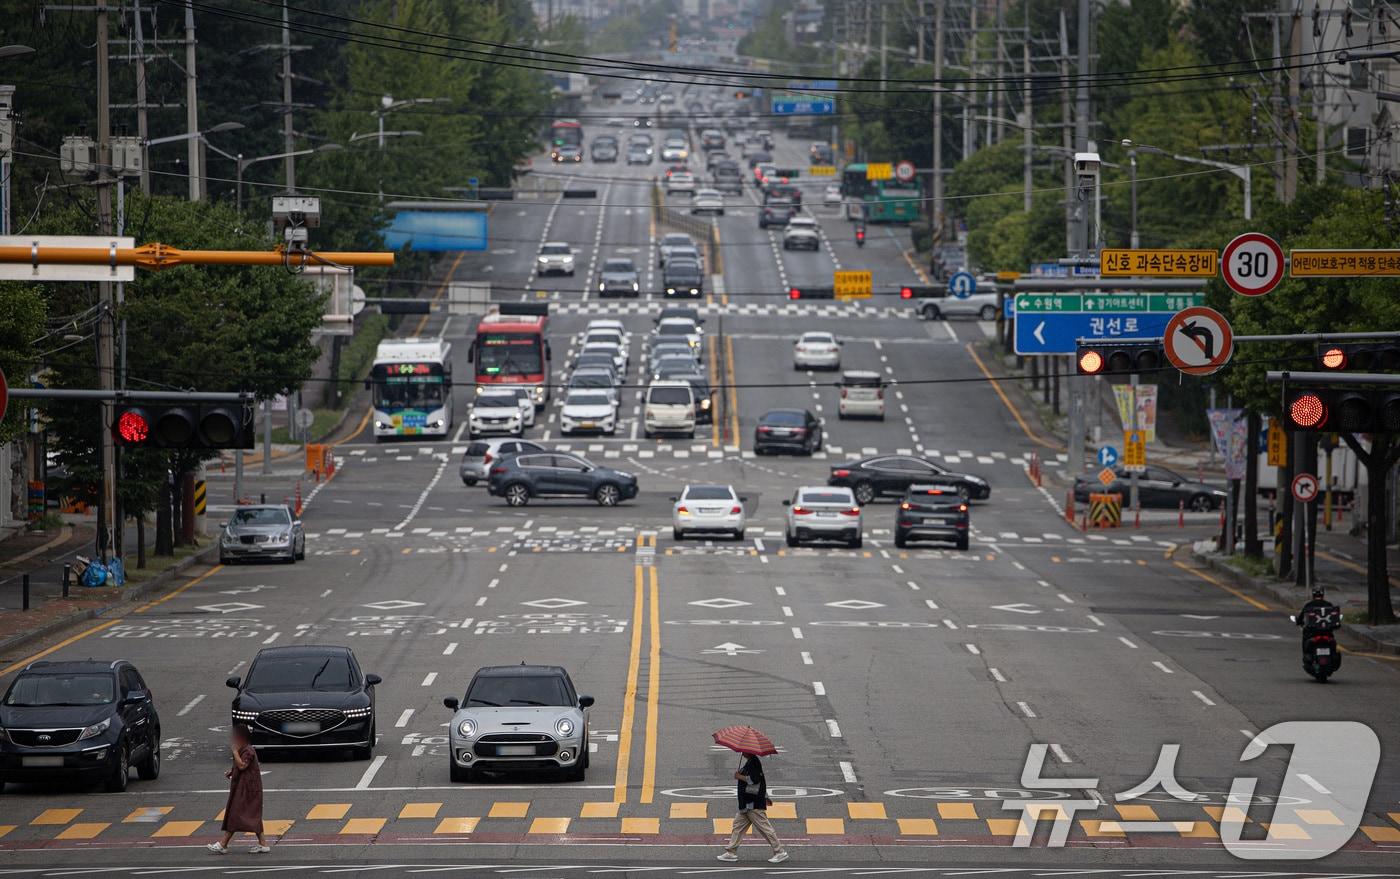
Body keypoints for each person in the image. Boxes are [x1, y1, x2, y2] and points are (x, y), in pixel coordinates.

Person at [208, 724, 269, 854]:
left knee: (235, 814)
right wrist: (231, 772)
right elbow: (239, 766)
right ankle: (263, 843)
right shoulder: (245, 749)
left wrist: (234, 752)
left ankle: (223, 844)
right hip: (244, 789)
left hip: (248, 791)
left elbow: (242, 765)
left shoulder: (248, 750)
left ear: (242, 738)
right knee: (253, 816)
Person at [717, 753, 788, 863]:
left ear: (748, 752)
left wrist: (739, 776)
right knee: (738, 826)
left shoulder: (754, 762)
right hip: (746, 804)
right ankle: (731, 852)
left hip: (753, 804)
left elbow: (754, 780)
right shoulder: (750, 762)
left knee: (765, 828)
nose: (742, 753)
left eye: (743, 751)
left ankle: (780, 852)